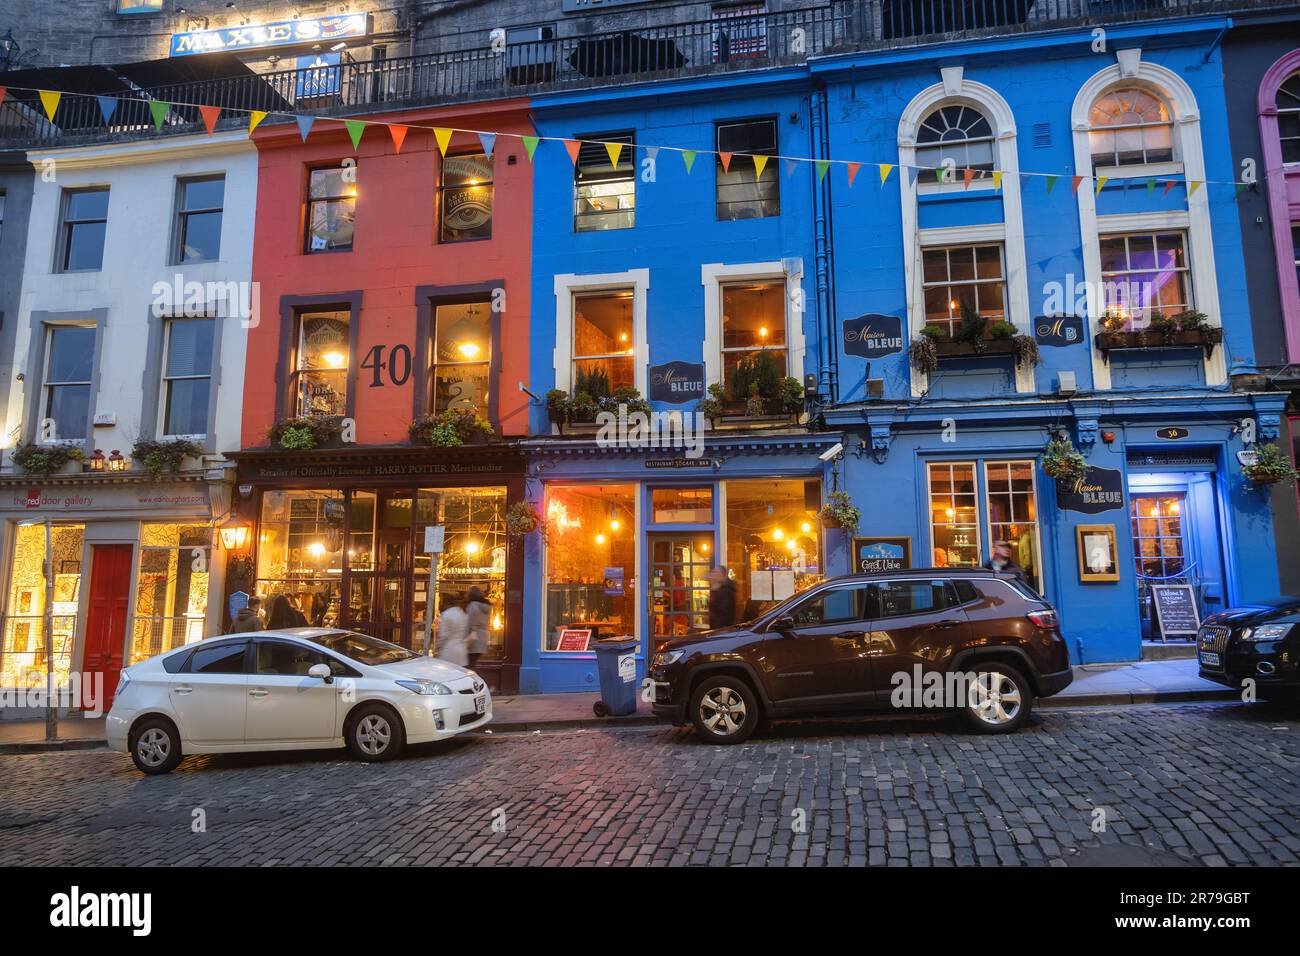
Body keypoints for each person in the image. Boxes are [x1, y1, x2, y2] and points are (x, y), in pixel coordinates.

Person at [436, 593, 470, 667]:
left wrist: (438, 647)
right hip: (461, 651)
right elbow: (466, 633)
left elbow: (443, 635)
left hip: (449, 651)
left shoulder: (446, 614)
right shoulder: (463, 614)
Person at [464, 586, 491, 671]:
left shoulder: (473, 605)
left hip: (473, 639)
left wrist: (464, 637)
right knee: (472, 664)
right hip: (482, 638)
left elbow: (469, 622)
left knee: (468, 666)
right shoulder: (486, 606)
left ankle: (474, 683)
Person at [708, 565, 738, 630]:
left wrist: (716, 632)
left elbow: (723, 616)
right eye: (712, 572)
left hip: (721, 632)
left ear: (722, 575)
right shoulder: (719, 589)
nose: (712, 574)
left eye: (715, 572)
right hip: (717, 631)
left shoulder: (725, 592)